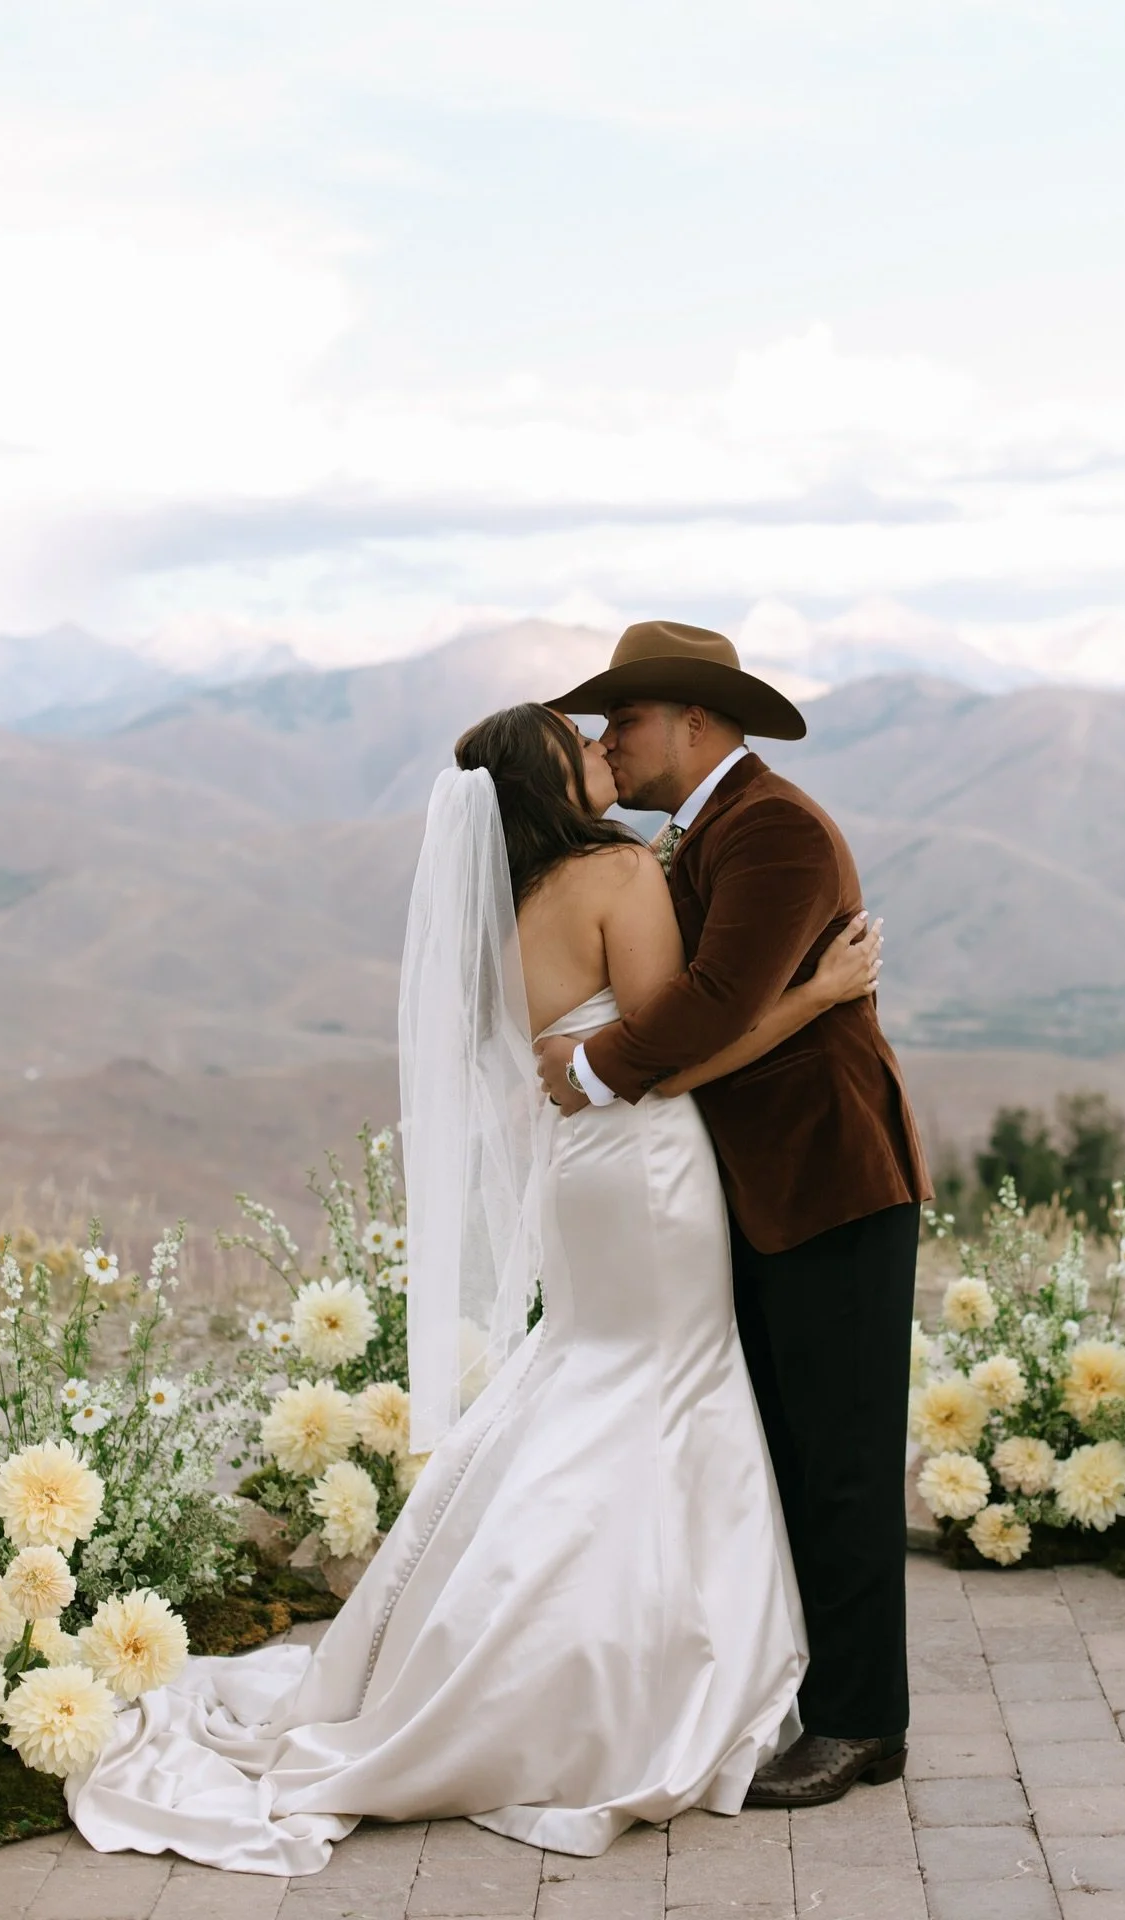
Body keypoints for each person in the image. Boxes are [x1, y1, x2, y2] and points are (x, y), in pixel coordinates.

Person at [66, 699, 879, 1875]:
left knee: (591, 1376)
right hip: (647, 1173)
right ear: (554, 788)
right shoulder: (614, 875)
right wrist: (817, 996)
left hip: (581, 1180)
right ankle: (626, 1673)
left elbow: (573, 1060)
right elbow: (667, 1057)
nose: (604, 749)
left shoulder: (511, 903)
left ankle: (521, 1634)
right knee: (663, 1388)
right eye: (582, 750)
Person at [537, 620, 933, 1809]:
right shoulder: (697, 832)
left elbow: (716, 1000)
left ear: (695, 722)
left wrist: (596, 1072)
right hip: (751, 1193)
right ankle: (811, 1692)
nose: (611, 741)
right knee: (784, 1450)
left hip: (828, 1185)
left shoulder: (773, 828)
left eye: (627, 721)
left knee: (843, 1462)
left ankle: (865, 1725)